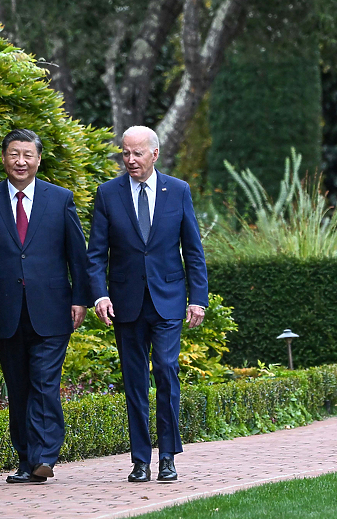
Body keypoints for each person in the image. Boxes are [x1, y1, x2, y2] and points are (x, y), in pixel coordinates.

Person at [0, 128, 90, 483]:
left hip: (53, 308)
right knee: (18, 388)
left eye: (27, 155)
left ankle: (45, 455)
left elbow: (77, 254)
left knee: (45, 382)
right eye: (14, 154)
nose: (21, 161)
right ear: (4, 158)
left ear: (38, 159)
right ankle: (25, 461)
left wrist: (81, 298)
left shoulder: (60, 198)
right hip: (6, 310)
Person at [87, 125, 208, 483]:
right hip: (126, 303)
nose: (130, 160)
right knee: (134, 382)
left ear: (154, 154)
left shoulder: (178, 191)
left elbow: (194, 251)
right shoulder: (108, 194)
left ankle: (168, 456)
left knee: (167, 372)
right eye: (125, 153)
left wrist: (197, 299)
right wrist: (100, 293)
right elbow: (95, 254)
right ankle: (140, 460)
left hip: (168, 301)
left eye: (137, 153)